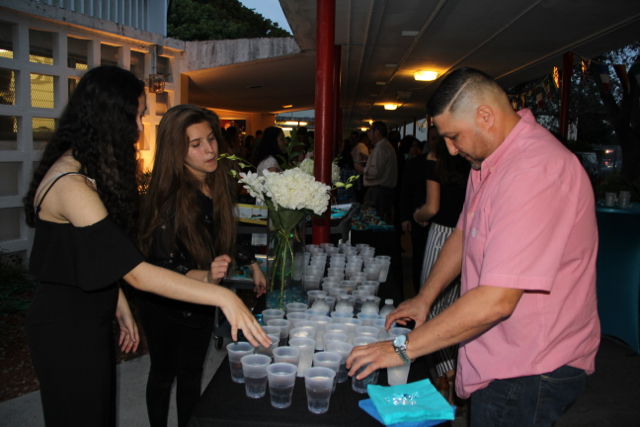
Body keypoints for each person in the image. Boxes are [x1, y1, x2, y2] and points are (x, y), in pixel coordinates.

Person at [347, 67, 600, 427]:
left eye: (453, 136)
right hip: (500, 352)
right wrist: (425, 298)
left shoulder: (535, 171)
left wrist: (401, 349)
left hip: (530, 364)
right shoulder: (491, 161)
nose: (450, 149)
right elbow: (465, 233)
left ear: (485, 115)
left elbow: (496, 300)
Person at [23, 66, 270, 427]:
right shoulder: (72, 184)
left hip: (87, 316)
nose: (140, 128)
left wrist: (116, 301)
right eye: (136, 116)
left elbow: (89, 254)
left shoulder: (82, 168)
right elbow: (137, 272)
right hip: (67, 327)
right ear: (109, 117)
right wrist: (225, 297)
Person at [136, 105, 268, 427]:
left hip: (201, 296)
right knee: (164, 373)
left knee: (192, 373)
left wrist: (251, 263)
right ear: (176, 150)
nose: (210, 150)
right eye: (196, 144)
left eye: (211, 139)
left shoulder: (216, 180)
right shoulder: (169, 197)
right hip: (163, 300)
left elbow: (224, 231)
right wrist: (207, 276)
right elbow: (161, 266)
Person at [413, 135, 470, 405]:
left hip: (444, 236)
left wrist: (416, 216)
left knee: (430, 306)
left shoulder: (435, 159)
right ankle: (449, 377)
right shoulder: (475, 159)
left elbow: (432, 208)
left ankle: (449, 371)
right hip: (472, 238)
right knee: (457, 308)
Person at [363, 121, 397, 223]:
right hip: (385, 192)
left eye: (370, 131)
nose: (368, 134)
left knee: (376, 221)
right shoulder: (386, 145)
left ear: (376, 132)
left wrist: (361, 168)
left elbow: (375, 172)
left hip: (379, 193)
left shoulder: (380, 148)